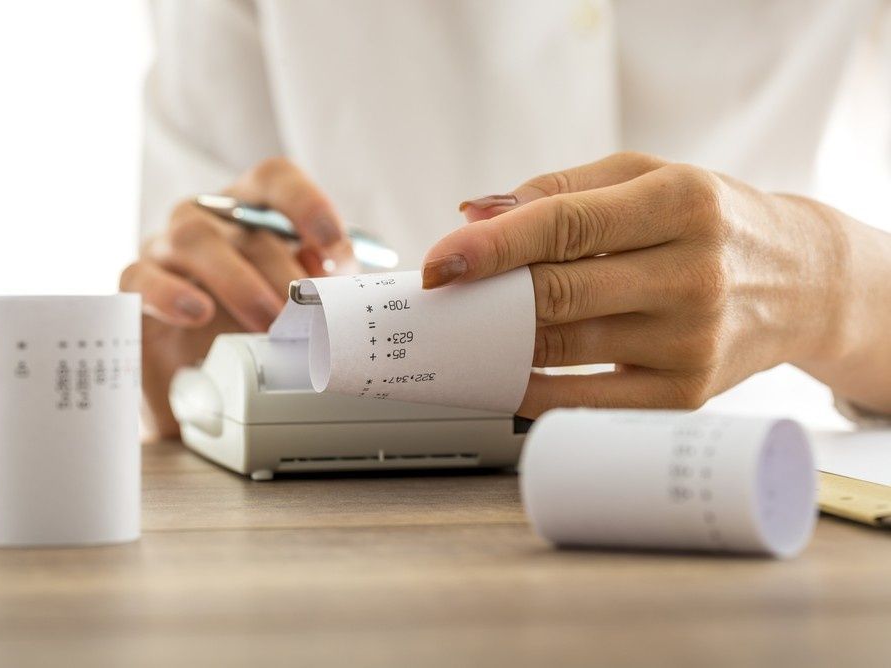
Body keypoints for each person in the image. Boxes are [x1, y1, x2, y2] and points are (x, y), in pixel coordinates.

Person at [122, 1, 891, 438]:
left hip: (757, 476)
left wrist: (829, 280)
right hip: (360, 514)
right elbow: (177, 364)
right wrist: (195, 349)